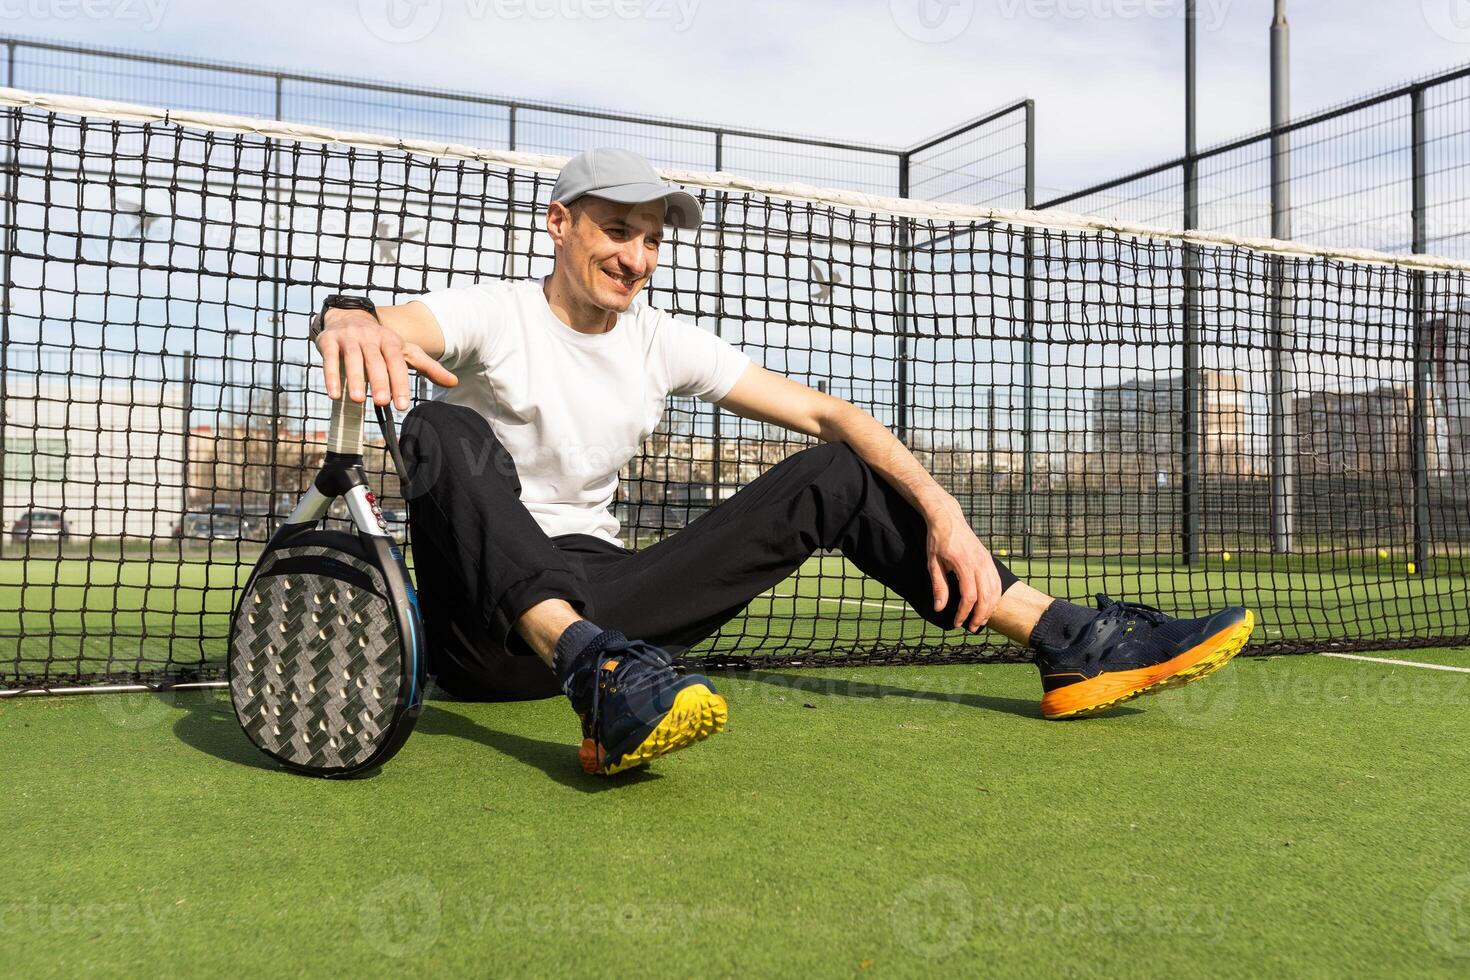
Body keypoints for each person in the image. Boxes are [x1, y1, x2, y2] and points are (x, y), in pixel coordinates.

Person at [310, 148, 1254, 776]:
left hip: (612, 604)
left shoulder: (659, 341)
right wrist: (349, 317)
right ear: (560, 224)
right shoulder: (495, 313)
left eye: (652, 237)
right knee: (440, 428)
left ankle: (1067, 642)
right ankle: (593, 672)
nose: (637, 256)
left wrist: (944, 510)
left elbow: (828, 410)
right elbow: (386, 328)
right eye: (616, 229)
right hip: (490, 633)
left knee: (839, 468)